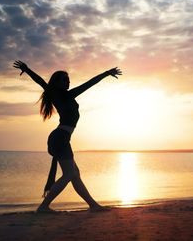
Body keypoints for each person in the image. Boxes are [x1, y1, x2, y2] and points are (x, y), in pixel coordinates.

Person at [13, 60, 122, 213]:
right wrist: (27, 70)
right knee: (70, 174)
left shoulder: (68, 95)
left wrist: (106, 74)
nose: (68, 82)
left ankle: (93, 205)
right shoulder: (58, 95)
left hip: (62, 139)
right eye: (64, 79)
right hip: (60, 138)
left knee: (74, 175)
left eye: (69, 79)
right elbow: (42, 82)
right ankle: (43, 207)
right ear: (56, 83)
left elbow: (87, 84)